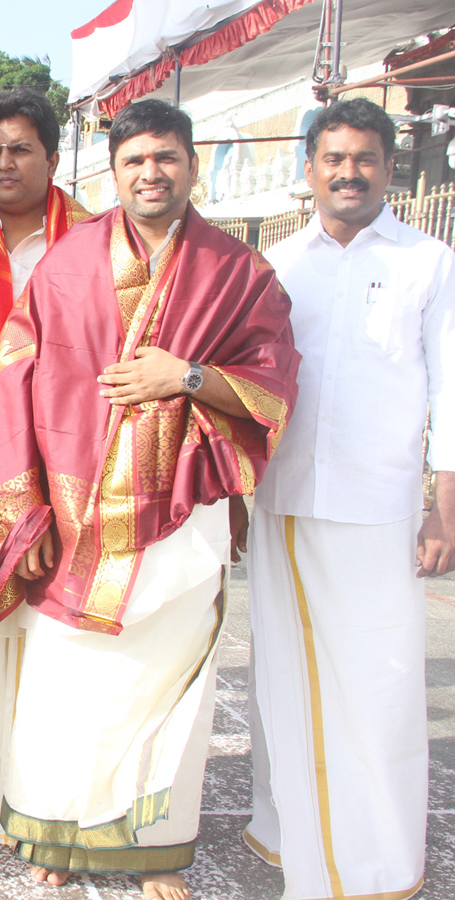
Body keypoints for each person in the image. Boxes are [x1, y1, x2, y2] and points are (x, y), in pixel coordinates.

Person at [0, 99, 298, 900]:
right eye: (135, 160)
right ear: (113, 172)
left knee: (167, 680)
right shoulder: (68, 262)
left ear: (193, 165)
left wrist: (190, 377)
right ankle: (55, 832)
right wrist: (21, 505)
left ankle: (154, 848)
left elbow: (275, 383)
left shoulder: (239, 274)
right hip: (73, 515)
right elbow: (13, 386)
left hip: (182, 509)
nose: (151, 173)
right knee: (68, 683)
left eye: (167, 158)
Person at [246, 97, 455, 900]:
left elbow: (449, 389)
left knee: (383, 681)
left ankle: (380, 859)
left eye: (364, 158)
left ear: (389, 169)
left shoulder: (427, 261)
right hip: (286, 500)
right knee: (283, 678)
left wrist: (444, 508)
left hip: (382, 506)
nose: (348, 172)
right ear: (309, 168)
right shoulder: (279, 260)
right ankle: (284, 829)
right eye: (333, 158)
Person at [0, 87, 90, 836]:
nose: (6, 162)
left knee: (55, 646)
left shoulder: (94, 240)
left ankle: (42, 804)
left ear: (53, 157)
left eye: (21, 148)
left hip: (68, 459)